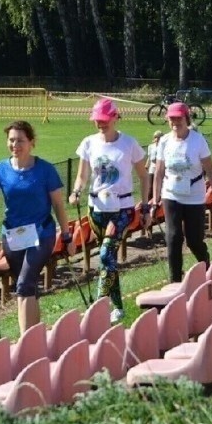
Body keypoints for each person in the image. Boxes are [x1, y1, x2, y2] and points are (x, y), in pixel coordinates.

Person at [0, 121, 72, 335]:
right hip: (13, 236)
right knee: (27, 286)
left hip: (42, 233)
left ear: (32, 143)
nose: (15, 144)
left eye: (20, 140)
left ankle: (25, 342)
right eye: (11, 140)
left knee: (23, 285)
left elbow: (59, 205)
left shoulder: (45, 170)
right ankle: (36, 336)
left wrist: (67, 236)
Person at [70, 98, 150, 323]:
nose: (100, 124)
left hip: (122, 208)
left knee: (105, 255)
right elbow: (83, 175)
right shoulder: (88, 143)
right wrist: (77, 191)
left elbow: (144, 177)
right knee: (110, 260)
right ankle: (119, 308)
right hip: (96, 208)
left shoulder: (129, 144)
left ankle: (97, 307)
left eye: (105, 120)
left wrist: (145, 206)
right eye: (97, 120)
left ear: (115, 117)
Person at [153, 102, 212, 282]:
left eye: (179, 118)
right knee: (173, 237)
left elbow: (210, 169)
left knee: (193, 240)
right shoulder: (164, 141)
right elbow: (159, 172)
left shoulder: (198, 140)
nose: (175, 122)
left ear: (186, 118)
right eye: (172, 118)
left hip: (194, 195)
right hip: (171, 193)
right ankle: (174, 279)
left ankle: (205, 265)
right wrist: (155, 198)